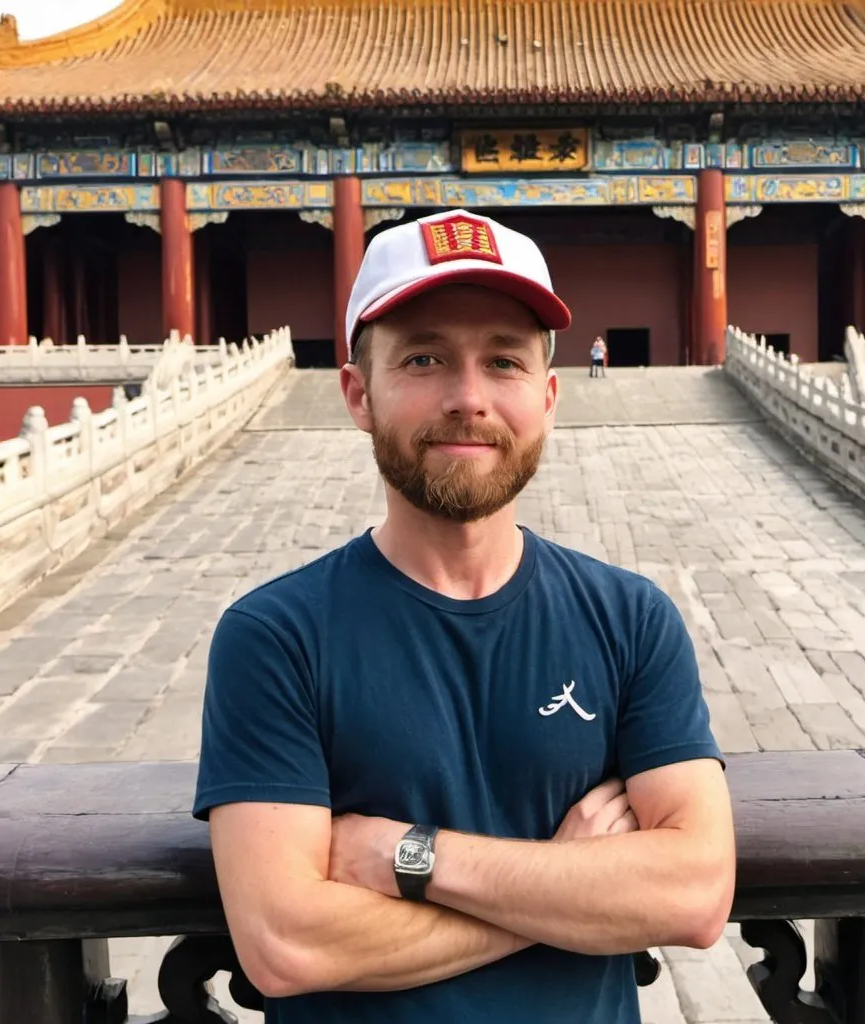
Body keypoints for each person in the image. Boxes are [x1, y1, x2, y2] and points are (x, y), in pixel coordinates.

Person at [193, 208, 735, 1024]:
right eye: (423, 358)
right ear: (357, 394)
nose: (469, 399)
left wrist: (408, 858)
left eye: (504, 362)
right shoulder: (276, 638)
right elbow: (286, 943)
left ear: (547, 396)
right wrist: (566, 883)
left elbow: (693, 894)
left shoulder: (629, 619)